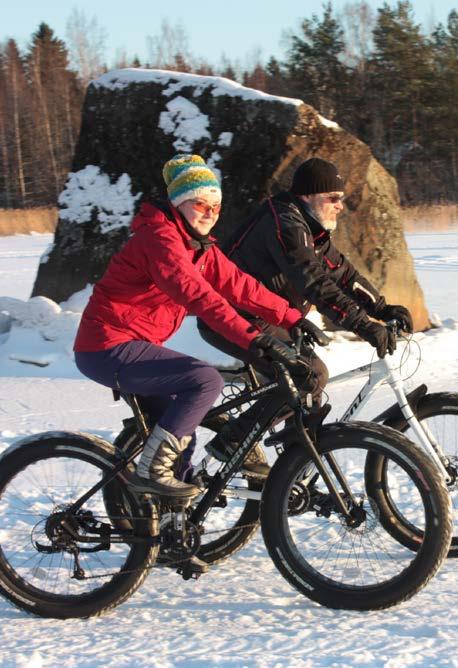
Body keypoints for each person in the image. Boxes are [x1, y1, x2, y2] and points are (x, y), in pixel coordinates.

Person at [73, 154, 314, 499]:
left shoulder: (198, 247)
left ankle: (172, 526)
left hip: (134, 345)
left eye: (216, 206)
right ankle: (152, 472)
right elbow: (200, 297)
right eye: (201, 203)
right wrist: (254, 338)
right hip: (107, 346)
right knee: (205, 380)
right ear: (179, 203)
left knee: (181, 432)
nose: (210, 212)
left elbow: (240, 285)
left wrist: (292, 318)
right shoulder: (160, 241)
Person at [198, 157, 413, 450]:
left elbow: (343, 274)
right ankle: (231, 443)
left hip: (271, 318)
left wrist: (381, 308)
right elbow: (314, 284)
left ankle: (295, 474)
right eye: (333, 198)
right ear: (308, 196)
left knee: (309, 393)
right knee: (309, 376)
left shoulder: (311, 227)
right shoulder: (284, 224)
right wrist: (363, 325)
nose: (340, 205)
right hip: (231, 318)